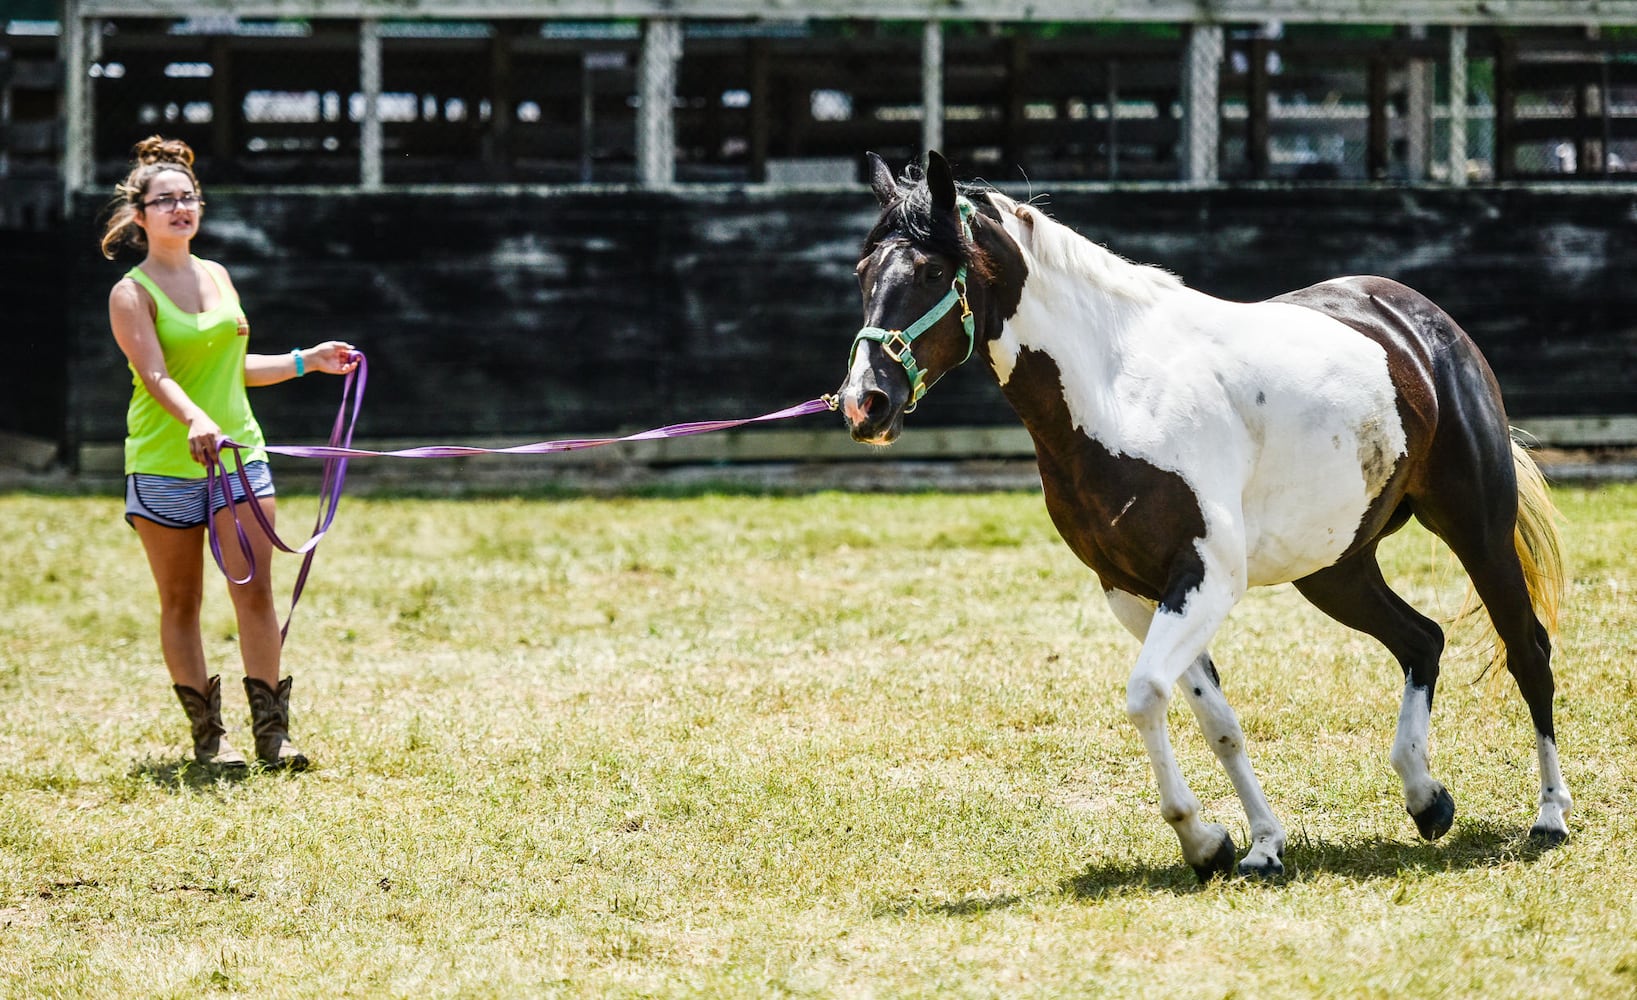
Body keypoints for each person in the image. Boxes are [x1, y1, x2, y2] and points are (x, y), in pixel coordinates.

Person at [102, 135, 358, 770]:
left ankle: (274, 736)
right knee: (182, 602)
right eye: (166, 201)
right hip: (165, 464)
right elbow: (158, 375)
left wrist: (307, 361)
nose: (181, 209)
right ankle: (210, 740)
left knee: (254, 593)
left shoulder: (216, 276)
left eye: (189, 198)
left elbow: (230, 367)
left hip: (239, 456)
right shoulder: (131, 294)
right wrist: (195, 419)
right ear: (141, 216)